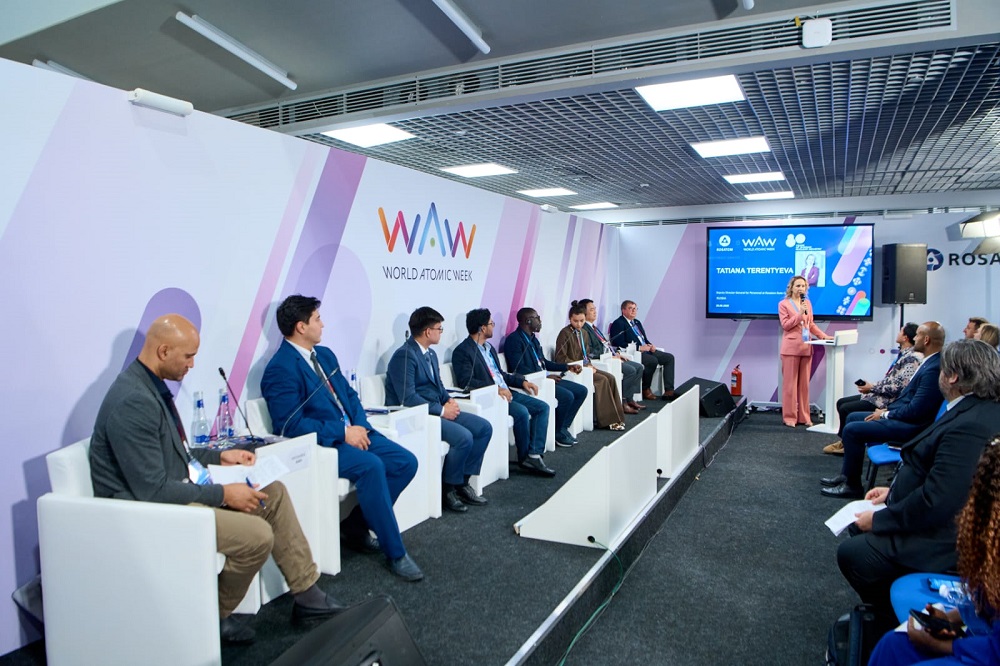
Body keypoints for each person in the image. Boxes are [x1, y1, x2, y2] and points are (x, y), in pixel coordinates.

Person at [89, 314, 345, 645]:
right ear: (164, 351)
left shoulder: (149, 385)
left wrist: (220, 457)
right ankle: (211, 617)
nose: (192, 364)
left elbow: (175, 451)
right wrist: (224, 494)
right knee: (256, 536)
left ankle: (307, 594)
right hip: (146, 512)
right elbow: (152, 490)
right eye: (188, 356)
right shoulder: (133, 400)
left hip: (171, 493)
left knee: (274, 493)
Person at [836, 339, 1000, 635]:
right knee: (859, 529)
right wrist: (893, 493)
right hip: (939, 517)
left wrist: (882, 519)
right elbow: (946, 478)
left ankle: (893, 623)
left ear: (952, 376)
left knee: (854, 553)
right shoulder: (974, 410)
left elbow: (941, 500)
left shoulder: (971, 425)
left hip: (946, 539)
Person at [260, 295, 423, 582]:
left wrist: (359, 425)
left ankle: (355, 525)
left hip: (355, 431)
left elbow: (349, 395)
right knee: (372, 466)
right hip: (327, 443)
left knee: (405, 462)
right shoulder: (280, 368)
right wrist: (343, 433)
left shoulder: (324, 355)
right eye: (317, 319)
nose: (323, 324)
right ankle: (395, 552)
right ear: (301, 327)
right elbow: (289, 425)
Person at [868, 435, 1000, 665]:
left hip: (989, 652)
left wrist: (943, 646)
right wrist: (951, 619)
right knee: (894, 645)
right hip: (985, 638)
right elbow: (990, 600)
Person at [385, 306, 492, 513]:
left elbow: (439, 387)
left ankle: (462, 482)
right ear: (428, 331)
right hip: (418, 415)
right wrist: (442, 411)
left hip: (437, 408)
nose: (441, 332)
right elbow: (408, 398)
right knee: (464, 438)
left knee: (483, 428)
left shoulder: (431, 354)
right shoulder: (405, 356)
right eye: (439, 328)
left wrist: (449, 400)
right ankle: (448, 489)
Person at [821, 322, 945, 499]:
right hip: (903, 416)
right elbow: (908, 399)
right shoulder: (928, 363)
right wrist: (887, 409)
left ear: (926, 340)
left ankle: (852, 486)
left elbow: (916, 409)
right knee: (853, 417)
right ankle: (846, 475)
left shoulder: (932, 368)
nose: (914, 338)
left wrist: (886, 413)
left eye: (917, 335)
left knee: (853, 429)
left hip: (912, 427)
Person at [452, 309, 554, 477]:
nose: (493, 326)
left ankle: (534, 453)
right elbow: (466, 382)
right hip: (492, 397)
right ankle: (525, 458)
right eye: (491, 323)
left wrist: (521, 381)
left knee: (542, 407)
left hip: (506, 391)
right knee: (522, 412)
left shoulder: (489, 348)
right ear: (482, 328)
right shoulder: (463, 351)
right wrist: (496, 389)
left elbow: (500, 374)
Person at [823, 323, 923, 455]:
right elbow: (891, 380)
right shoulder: (904, 355)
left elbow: (898, 387)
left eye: (901, 331)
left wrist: (872, 388)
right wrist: (871, 387)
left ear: (905, 337)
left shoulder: (911, 359)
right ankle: (844, 440)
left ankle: (848, 443)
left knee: (846, 408)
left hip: (888, 400)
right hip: (881, 395)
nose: (898, 333)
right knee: (841, 402)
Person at [503, 307, 588, 447]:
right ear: (528, 321)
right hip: (532, 382)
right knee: (567, 396)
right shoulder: (514, 340)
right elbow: (519, 368)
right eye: (537, 318)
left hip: (545, 379)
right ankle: (557, 432)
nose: (540, 321)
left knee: (581, 391)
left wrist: (567, 366)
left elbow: (544, 363)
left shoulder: (533, 339)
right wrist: (544, 376)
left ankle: (562, 427)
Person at [555, 302, 627, 431]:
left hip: (586, 366)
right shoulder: (564, 333)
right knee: (602, 380)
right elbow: (560, 358)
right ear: (570, 319)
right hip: (575, 369)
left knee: (610, 377)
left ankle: (617, 417)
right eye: (575, 321)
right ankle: (607, 421)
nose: (579, 324)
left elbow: (586, 354)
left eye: (582, 321)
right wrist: (581, 365)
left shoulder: (584, 333)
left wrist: (589, 365)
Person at [777, 275, 832, 428]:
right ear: (791, 288)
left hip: (806, 347)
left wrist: (823, 336)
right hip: (791, 349)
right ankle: (790, 417)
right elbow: (786, 325)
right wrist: (799, 313)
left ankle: (804, 417)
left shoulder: (807, 303)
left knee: (804, 386)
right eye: (798, 286)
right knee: (790, 386)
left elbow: (810, 324)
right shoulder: (783, 304)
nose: (801, 288)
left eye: (803, 286)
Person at [578, 297, 645, 413]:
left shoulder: (594, 328)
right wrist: (610, 356)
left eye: (595, 309)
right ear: (583, 312)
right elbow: (590, 351)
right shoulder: (584, 329)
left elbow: (605, 344)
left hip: (611, 357)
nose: (595, 312)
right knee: (631, 371)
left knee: (639, 367)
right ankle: (622, 402)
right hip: (603, 360)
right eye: (592, 309)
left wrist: (616, 353)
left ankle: (630, 398)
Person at [608, 300, 676, 401]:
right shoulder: (618, 323)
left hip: (647, 349)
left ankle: (669, 391)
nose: (633, 311)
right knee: (652, 361)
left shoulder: (636, 322)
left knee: (669, 358)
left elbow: (643, 338)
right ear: (623, 310)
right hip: (634, 352)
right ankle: (645, 389)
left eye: (635, 309)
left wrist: (650, 345)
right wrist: (639, 348)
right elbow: (618, 343)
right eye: (630, 308)